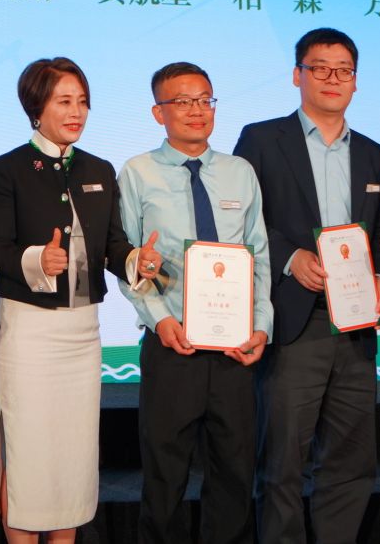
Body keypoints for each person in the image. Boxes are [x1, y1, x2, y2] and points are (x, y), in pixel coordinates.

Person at [234, 28, 380, 544]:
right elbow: (242, 220)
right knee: (282, 461)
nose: (332, 78)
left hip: (356, 326)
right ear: (297, 75)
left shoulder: (373, 153)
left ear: (356, 82)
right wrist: (289, 257)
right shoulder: (261, 140)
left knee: (350, 462)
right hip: (293, 322)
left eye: (343, 70)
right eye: (320, 67)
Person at [0, 56, 148, 544]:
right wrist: (37, 259)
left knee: (73, 456)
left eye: (82, 102)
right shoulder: (7, 168)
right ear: (36, 107)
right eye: (63, 101)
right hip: (29, 331)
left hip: (82, 331)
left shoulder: (99, 169)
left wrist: (137, 260)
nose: (76, 112)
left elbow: (112, 245)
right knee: (28, 450)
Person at [119, 62, 270, 544]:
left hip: (233, 349)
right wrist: (160, 320)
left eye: (205, 100)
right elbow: (126, 261)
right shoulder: (138, 172)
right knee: (164, 480)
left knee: (234, 476)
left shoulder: (239, 172)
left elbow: (259, 255)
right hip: (172, 345)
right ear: (158, 112)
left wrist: (261, 325)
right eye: (182, 102)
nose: (197, 111)